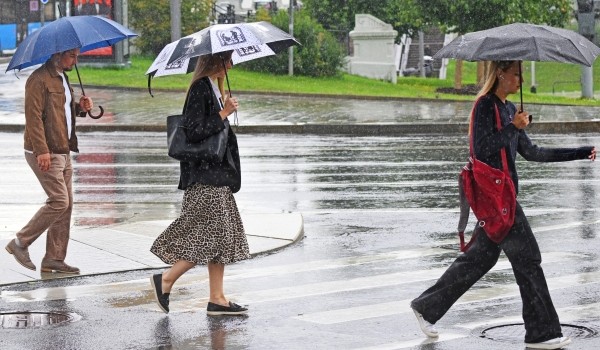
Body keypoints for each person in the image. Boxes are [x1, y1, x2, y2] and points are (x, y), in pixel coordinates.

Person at [409, 60, 596, 350]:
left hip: (504, 198)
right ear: (500, 74)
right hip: (497, 201)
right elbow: (481, 149)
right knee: (529, 259)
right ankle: (541, 334)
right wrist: (512, 127)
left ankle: (426, 307)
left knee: (480, 258)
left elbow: (533, 153)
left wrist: (582, 152)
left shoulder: (510, 110)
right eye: (516, 74)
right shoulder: (485, 106)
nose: (520, 80)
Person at [149, 51, 250, 316]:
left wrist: (224, 111)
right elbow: (193, 131)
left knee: (219, 238)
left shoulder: (214, 89)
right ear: (214, 61)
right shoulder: (199, 88)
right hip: (205, 178)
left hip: (217, 176)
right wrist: (223, 113)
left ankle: (217, 298)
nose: (231, 65)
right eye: (227, 60)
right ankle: (167, 279)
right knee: (207, 238)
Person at [5, 48, 93, 274]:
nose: (76, 60)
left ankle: (54, 259)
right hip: (45, 151)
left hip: (63, 149)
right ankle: (20, 243)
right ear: (58, 54)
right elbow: (33, 118)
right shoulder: (38, 80)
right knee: (59, 201)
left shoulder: (63, 77)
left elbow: (60, 113)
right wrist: (41, 151)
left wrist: (80, 109)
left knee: (67, 206)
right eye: (72, 55)